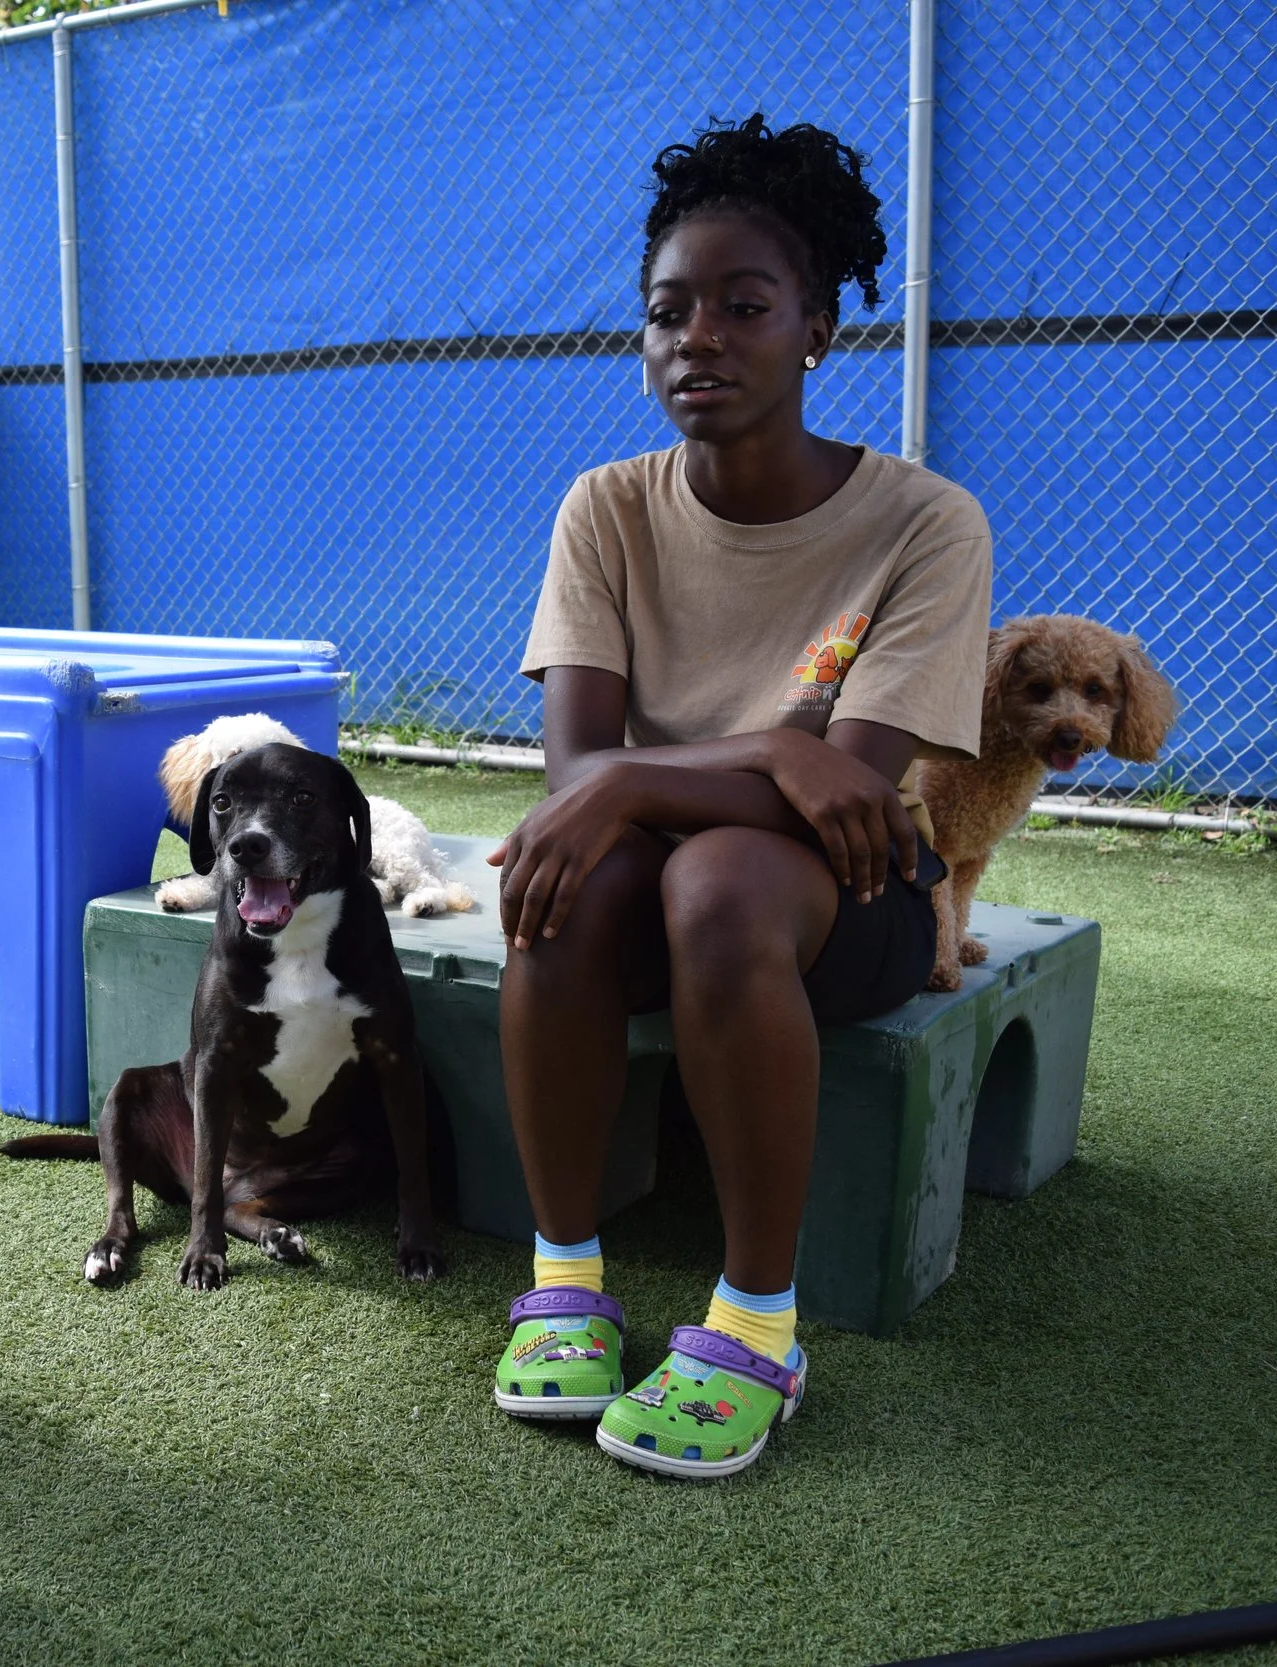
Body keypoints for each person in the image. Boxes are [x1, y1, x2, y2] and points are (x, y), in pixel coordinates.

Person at [489, 114, 991, 1479]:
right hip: (652, 878)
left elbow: (852, 793)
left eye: (742, 306)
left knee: (711, 875)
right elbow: (578, 779)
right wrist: (769, 748)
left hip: (847, 899)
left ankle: (759, 1324)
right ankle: (568, 1266)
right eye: (667, 312)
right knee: (569, 869)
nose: (696, 336)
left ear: (818, 328)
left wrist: (678, 780)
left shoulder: (923, 523)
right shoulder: (609, 507)